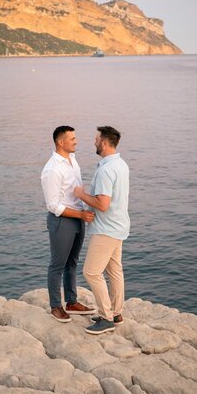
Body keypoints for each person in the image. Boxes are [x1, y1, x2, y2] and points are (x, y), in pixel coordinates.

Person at [74, 126, 130, 335]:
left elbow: (103, 204)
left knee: (91, 272)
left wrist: (81, 194)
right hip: (119, 226)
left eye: (97, 139)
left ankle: (106, 318)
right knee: (115, 271)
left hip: (106, 229)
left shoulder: (106, 169)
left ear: (105, 143)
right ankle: (116, 313)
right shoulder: (121, 164)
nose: (94, 142)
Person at [41, 125, 96, 322]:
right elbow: (53, 205)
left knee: (72, 262)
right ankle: (56, 306)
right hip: (62, 221)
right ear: (60, 142)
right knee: (57, 265)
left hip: (78, 218)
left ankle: (71, 302)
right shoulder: (52, 169)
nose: (76, 141)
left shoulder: (72, 159)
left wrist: (84, 211)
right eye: (72, 139)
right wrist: (80, 215)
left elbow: (76, 191)